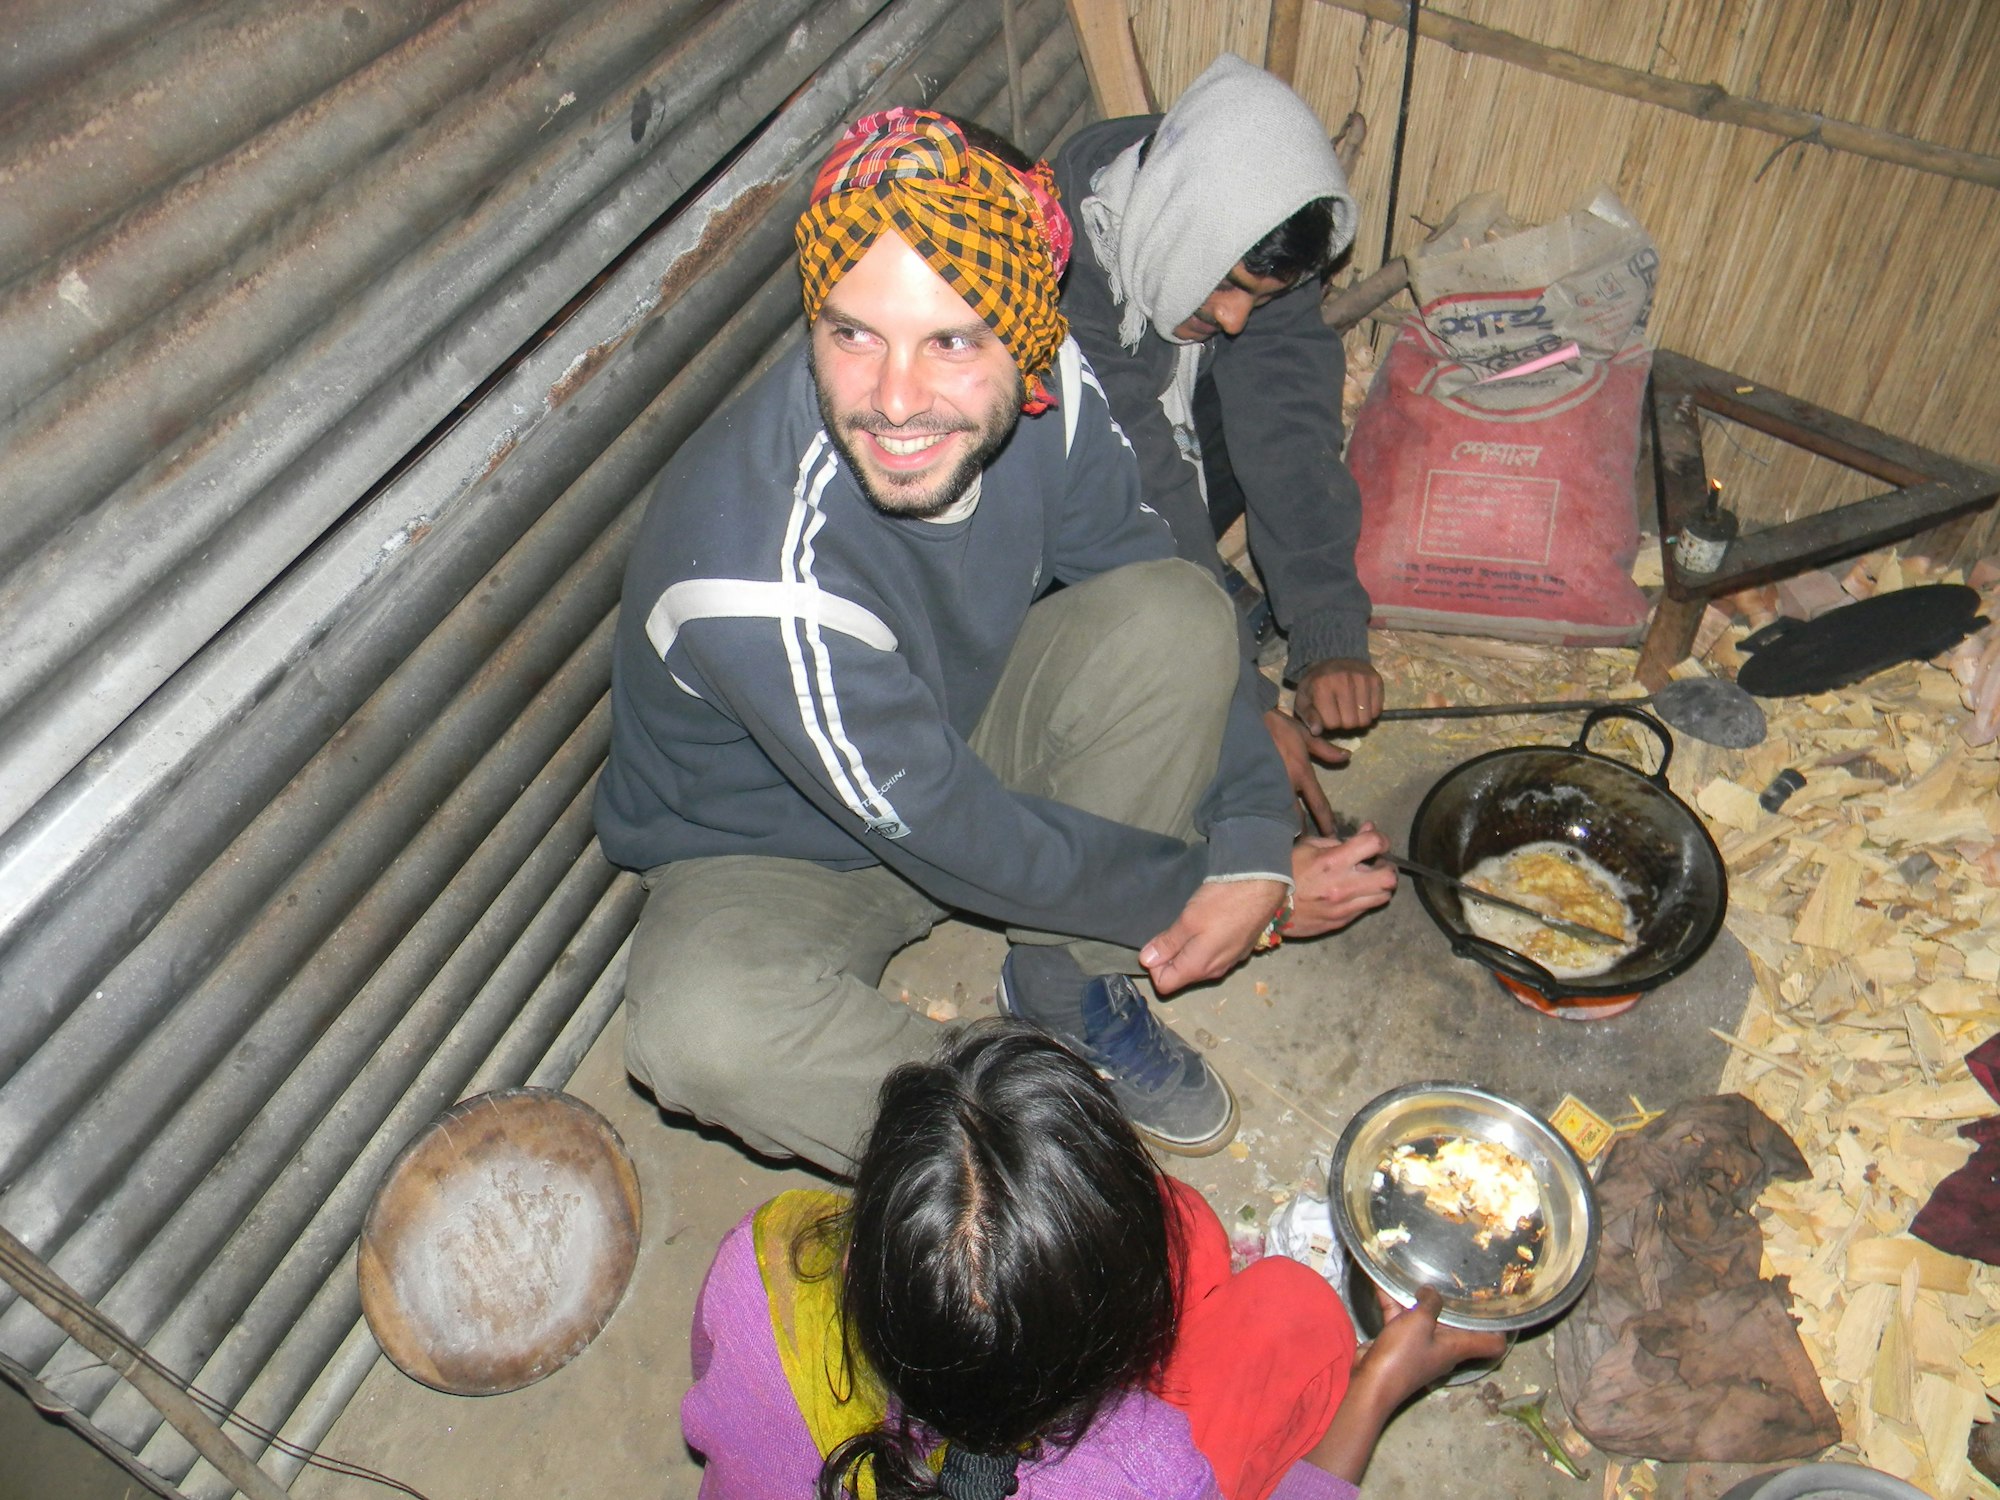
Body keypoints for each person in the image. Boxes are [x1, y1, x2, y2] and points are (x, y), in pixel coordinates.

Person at [594, 108, 1394, 1171]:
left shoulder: (1054, 389)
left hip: (953, 729)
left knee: (1178, 609)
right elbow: (959, 833)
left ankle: (1062, 989)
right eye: (852, 333)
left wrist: (1252, 839)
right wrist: (1230, 891)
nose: (894, 401)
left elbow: (1159, 578)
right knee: (706, 1033)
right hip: (774, 851)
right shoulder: (758, 571)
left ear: (1023, 338)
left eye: (953, 339)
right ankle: (1008, 1141)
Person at [682, 1022, 1507, 1498]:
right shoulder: (1140, 1469)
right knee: (1295, 1315)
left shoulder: (768, 1258)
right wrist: (1377, 1388)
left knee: (1184, 1225)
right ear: (1110, 1354)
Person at [1052, 54, 1383, 837]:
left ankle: (1211, 598)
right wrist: (1239, 704)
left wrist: (1329, 627)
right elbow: (1138, 481)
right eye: (1227, 284)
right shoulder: (1062, 261)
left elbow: (1292, 434)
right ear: (1180, 225)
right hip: (1055, 504)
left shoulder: (1231, 218)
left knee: (1260, 390)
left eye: (1258, 297)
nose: (1236, 315)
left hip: (1148, 454)